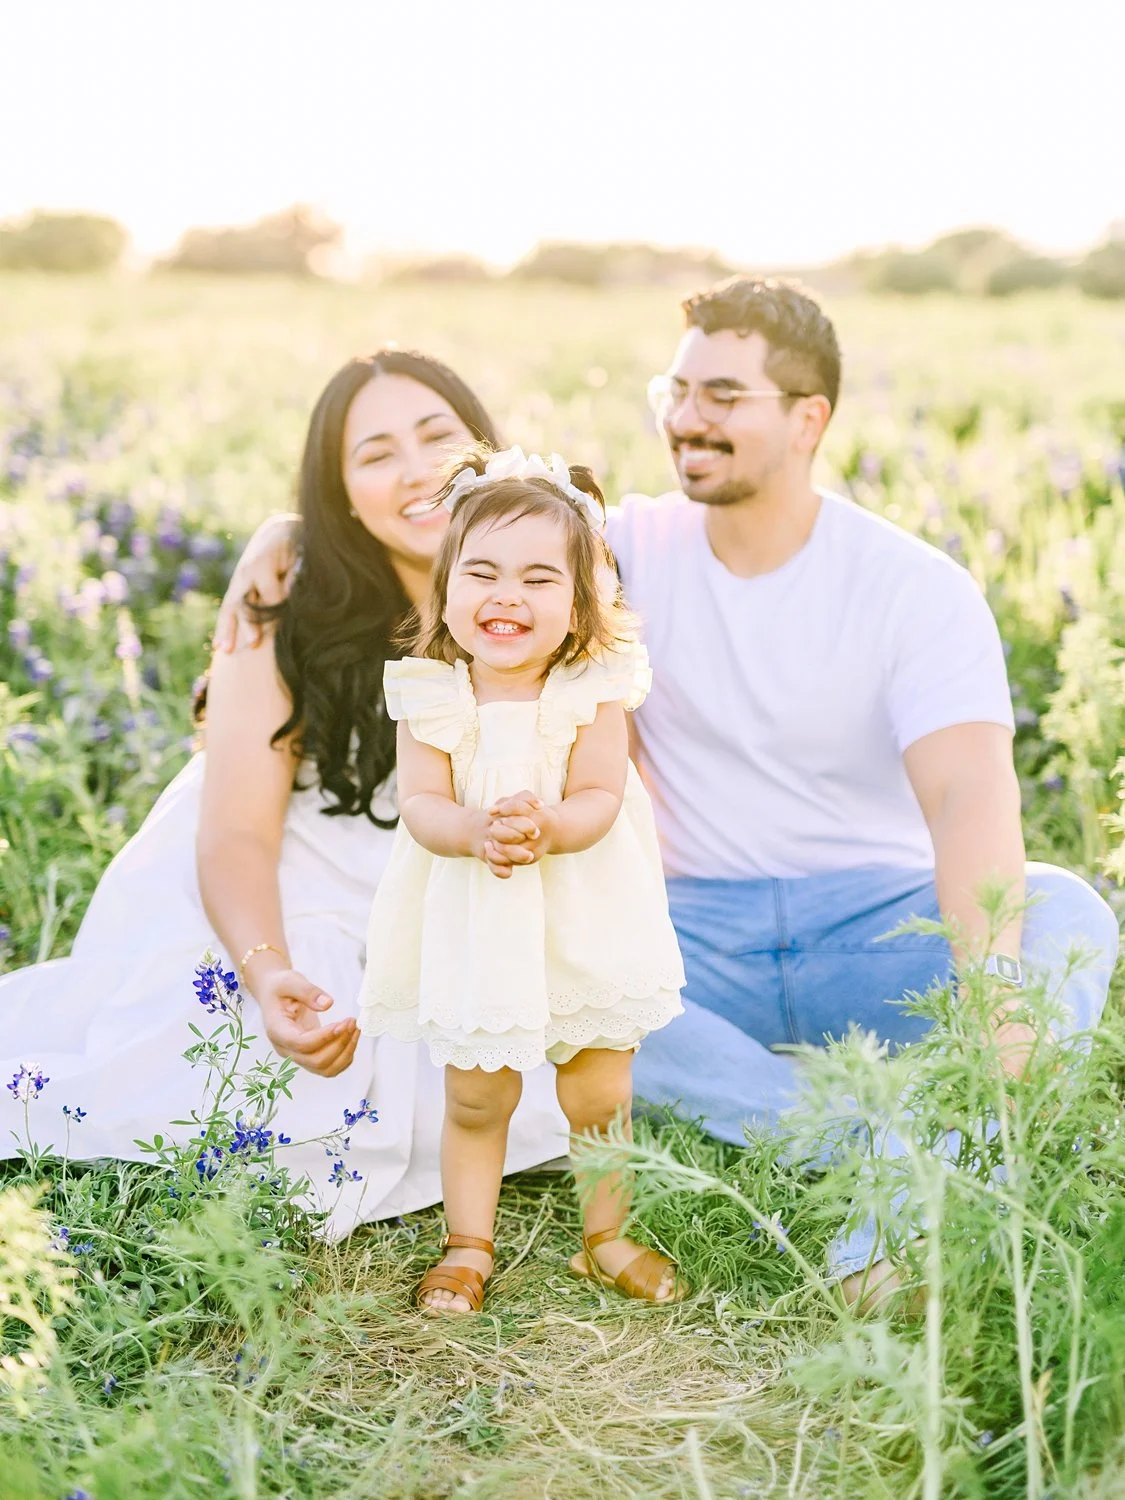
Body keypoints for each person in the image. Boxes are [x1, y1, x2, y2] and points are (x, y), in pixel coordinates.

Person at [217, 281, 1120, 1300]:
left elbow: (969, 800)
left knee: (1069, 915)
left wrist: (995, 994)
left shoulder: (914, 587)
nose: (687, 417)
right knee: (580, 1001)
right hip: (686, 934)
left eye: (724, 394)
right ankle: (864, 1133)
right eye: (676, 387)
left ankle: (910, 1207)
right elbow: (471, 523)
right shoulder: (618, 546)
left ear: (808, 417)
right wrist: (285, 537)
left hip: (865, 921)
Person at [0, 351, 569, 1236]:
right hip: (297, 869)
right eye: (374, 454)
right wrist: (266, 976)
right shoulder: (291, 588)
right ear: (337, 493)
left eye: (435, 436)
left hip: (458, 864)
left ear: (486, 449)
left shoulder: (554, 564)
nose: (415, 468)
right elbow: (234, 833)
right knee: (229, 1068)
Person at [357, 445, 685, 1313]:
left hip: (584, 907)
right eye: (484, 574)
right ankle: (468, 1244)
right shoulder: (432, 694)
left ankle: (604, 1237)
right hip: (477, 909)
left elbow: (600, 796)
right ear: (446, 588)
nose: (508, 596)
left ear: (583, 600)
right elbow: (421, 805)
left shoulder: (592, 688)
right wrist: (472, 830)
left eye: (540, 579)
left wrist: (550, 827)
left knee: (598, 1085)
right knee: (477, 1090)